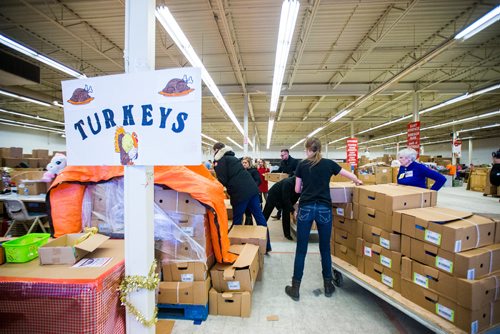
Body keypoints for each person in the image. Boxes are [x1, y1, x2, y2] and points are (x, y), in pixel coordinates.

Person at [285, 137, 362, 301]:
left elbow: (297, 189)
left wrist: (308, 186)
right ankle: (328, 285)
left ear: (307, 149)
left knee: (301, 250)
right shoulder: (329, 164)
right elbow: (348, 174)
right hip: (324, 209)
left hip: (306, 208)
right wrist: (358, 181)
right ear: (320, 149)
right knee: (325, 248)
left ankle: (295, 288)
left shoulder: (302, 165)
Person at [212, 143, 271, 252]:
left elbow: (222, 180)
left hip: (239, 193)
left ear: (216, 150)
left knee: (237, 220)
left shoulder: (220, 161)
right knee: (259, 217)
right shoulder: (233, 158)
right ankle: (266, 245)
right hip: (252, 190)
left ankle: (233, 247)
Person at [262, 176, 299, 240]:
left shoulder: (300, 185)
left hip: (284, 197)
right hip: (273, 195)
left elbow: (296, 197)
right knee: (266, 213)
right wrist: (293, 210)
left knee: (286, 214)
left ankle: (287, 234)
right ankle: (260, 228)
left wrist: (292, 208)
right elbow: (286, 199)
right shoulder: (288, 183)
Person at [272, 149, 299, 220]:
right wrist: (272, 172)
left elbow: (297, 172)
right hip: (284, 183)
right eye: (281, 155)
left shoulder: (295, 161)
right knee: (281, 198)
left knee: (287, 200)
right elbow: (279, 170)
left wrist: (291, 175)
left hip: (292, 184)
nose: (281, 157)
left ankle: (287, 214)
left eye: (282, 155)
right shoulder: (282, 162)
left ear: (287, 154)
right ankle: (279, 214)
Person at [241, 157, 261, 225]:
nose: (244, 164)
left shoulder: (254, 171)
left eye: (245, 163)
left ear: (249, 163)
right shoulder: (241, 171)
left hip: (253, 194)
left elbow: (258, 181)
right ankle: (248, 226)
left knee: (256, 213)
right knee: (247, 213)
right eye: (243, 163)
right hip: (244, 194)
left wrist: (251, 188)